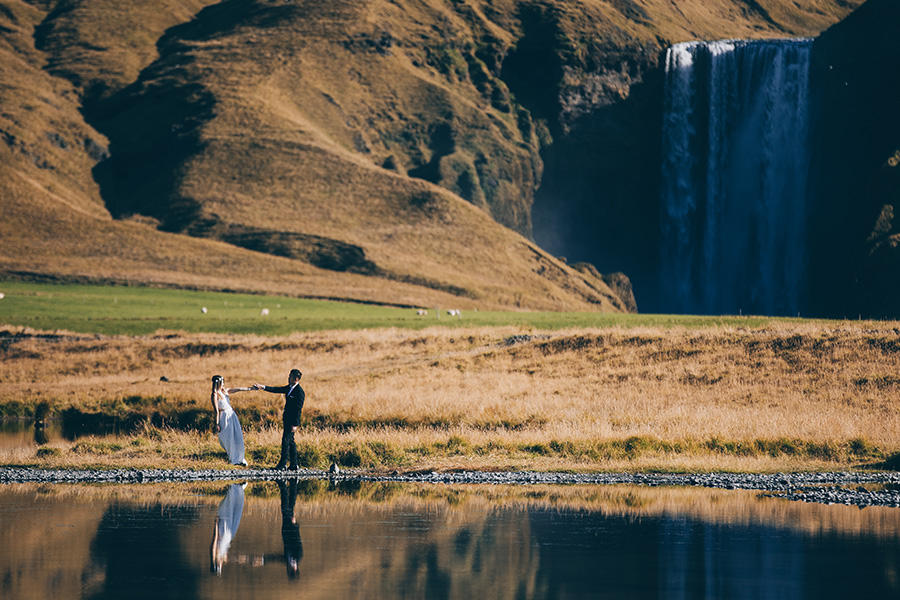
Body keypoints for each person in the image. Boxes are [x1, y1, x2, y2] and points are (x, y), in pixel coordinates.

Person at [254, 368, 304, 470]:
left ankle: (283, 464)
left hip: (292, 421)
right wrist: (262, 387)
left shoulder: (299, 392)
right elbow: (276, 389)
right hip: (286, 418)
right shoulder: (289, 388)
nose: (288, 378)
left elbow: (298, 409)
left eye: (290, 377)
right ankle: (294, 464)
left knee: (285, 441)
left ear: (295, 379)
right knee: (291, 441)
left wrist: (295, 424)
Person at [211, 375, 251, 466]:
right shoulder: (215, 395)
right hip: (223, 416)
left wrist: (250, 388)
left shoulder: (224, 391)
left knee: (237, 436)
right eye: (222, 383)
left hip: (231, 415)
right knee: (229, 438)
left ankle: (240, 458)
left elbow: (238, 389)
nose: (224, 384)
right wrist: (217, 423)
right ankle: (233, 459)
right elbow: (216, 411)